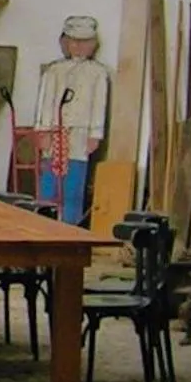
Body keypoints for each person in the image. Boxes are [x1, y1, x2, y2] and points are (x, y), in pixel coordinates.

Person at [34, 15, 111, 225]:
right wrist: (43, 130)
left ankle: (70, 226)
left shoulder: (98, 73)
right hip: (54, 131)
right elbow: (45, 101)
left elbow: (99, 106)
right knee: (49, 182)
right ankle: (43, 224)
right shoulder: (54, 70)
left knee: (74, 185)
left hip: (79, 134)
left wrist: (95, 134)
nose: (78, 47)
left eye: (84, 42)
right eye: (73, 41)